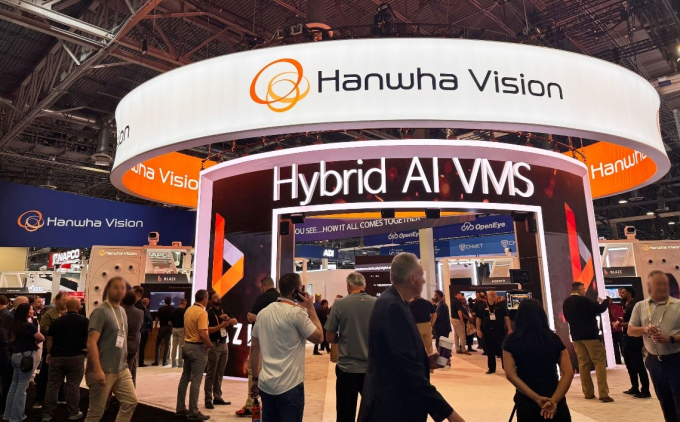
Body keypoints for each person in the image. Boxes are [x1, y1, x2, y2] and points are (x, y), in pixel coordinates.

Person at [358, 253, 465, 422]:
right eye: (422, 276)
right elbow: (408, 371)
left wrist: (426, 361)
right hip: (391, 409)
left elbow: (397, 358)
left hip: (392, 405)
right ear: (412, 278)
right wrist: (449, 413)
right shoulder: (393, 307)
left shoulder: (397, 302)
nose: (424, 280)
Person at [250, 273, 323, 422]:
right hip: (290, 386)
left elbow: (254, 348)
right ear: (296, 291)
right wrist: (311, 308)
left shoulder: (263, 313)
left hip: (266, 385)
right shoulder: (297, 314)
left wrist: (255, 379)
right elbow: (319, 338)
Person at [503, 299, 574, 422]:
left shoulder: (511, 341)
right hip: (554, 397)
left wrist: (537, 398)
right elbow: (568, 373)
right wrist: (554, 401)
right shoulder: (554, 339)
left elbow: (510, 374)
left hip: (527, 400)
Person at [628, 270, 680, 422]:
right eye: (658, 284)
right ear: (649, 285)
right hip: (654, 362)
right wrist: (645, 329)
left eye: (664, 284)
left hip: (675, 360)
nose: (662, 287)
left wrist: (670, 338)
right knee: (665, 401)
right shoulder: (640, 306)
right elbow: (630, 330)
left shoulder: (678, 305)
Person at [85, 277, 138, 422]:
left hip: (121, 369)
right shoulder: (101, 312)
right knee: (96, 413)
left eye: (122, 288)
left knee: (131, 401)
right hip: (104, 369)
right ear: (108, 289)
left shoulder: (122, 311)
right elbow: (91, 342)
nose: (120, 290)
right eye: (116, 287)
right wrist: (97, 369)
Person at [326, 272, 377, 422]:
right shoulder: (377, 303)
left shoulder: (339, 304)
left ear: (348, 285)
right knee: (372, 414)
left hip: (347, 369)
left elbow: (329, 337)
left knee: (345, 415)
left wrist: (343, 338)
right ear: (364, 285)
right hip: (371, 370)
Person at [235, 276, 279, 418]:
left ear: (264, 286)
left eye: (261, 287)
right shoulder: (280, 298)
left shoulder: (263, 298)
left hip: (261, 341)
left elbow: (250, 316)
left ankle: (251, 404)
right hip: (277, 342)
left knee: (253, 370)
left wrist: (263, 317)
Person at [562, 282, 613, 402]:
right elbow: (599, 309)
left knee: (583, 364)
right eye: (583, 288)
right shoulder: (584, 300)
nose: (584, 290)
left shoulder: (566, 302)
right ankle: (603, 393)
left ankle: (588, 392)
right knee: (599, 362)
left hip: (576, 337)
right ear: (579, 289)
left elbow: (567, 318)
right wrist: (606, 301)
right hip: (591, 336)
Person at [41, 298, 88, 422]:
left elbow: (49, 339)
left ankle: (47, 414)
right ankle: (73, 412)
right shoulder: (84, 321)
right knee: (73, 385)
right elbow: (90, 338)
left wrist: (49, 353)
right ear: (79, 307)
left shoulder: (57, 321)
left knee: (52, 385)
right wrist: (87, 349)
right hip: (75, 357)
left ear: (66, 307)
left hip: (57, 357)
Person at [4, 303, 43, 422]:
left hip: (16, 356)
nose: (33, 311)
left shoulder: (15, 325)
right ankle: (17, 416)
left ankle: (8, 414)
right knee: (22, 388)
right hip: (26, 357)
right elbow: (41, 338)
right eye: (31, 309)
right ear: (26, 312)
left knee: (14, 386)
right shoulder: (29, 326)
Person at [176, 289, 212, 421]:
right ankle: (193, 411)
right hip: (197, 348)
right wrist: (210, 345)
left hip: (187, 345)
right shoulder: (202, 313)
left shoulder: (189, 310)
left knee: (185, 377)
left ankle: (180, 407)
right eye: (207, 298)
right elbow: (202, 333)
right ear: (204, 299)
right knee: (196, 380)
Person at [34, 292, 68, 409]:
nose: (65, 302)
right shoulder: (49, 314)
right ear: (56, 301)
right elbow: (44, 328)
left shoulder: (68, 314)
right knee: (45, 373)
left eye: (67, 300)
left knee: (62, 373)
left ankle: (60, 396)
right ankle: (39, 398)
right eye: (63, 300)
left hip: (64, 348)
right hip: (51, 348)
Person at [204, 291, 237, 409]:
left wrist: (227, 319)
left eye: (218, 296)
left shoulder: (224, 310)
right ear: (210, 301)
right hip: (213, 344)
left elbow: (235, 321)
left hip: (224, 344)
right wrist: (221, 326)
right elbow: (207, 330)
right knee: (211, 373)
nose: (218, 298)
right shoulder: (208, 313)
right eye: (215, 297)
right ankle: (208, 399)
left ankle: (217, 397)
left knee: (220, 372)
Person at [617, 287, 650, 398]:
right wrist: (619, 320)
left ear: (630, 293)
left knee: (638, 364)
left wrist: (620, 324)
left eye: (623, 292)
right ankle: (634, 387)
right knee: (629, 364)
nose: (620, 294)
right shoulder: (626, 306)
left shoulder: (634, 306)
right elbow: (627, 321)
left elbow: (634, 323)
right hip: (625, 337)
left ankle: (645, 390)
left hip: (633, 338)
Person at [476, 290, 511, 374]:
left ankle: (505, 367)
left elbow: (506, 318)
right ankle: (491, 368)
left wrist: (509, 329)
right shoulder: (482, 307)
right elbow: (478, 319)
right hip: (487, 332)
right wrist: (478, 329)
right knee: (490, 350)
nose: (494, 295)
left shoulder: (501, 306)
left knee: (502, 350)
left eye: (495, 294)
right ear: (488, 296)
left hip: (499, 331)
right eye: (492, 294)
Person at [122, 292, 143, 385]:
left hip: (120, 344)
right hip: (134, 343)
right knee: (132, 368)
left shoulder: (119, 312)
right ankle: (131, 388)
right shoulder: (140, 312)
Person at [133, 287, 152, 367]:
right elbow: (148, 319)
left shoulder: (135, 306)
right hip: (142, 331)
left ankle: (137, 362)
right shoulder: (142, 308)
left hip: (137, 330)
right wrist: (149, 328)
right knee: (141, 347)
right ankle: (140, 362)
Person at [153, 297, 174, 366]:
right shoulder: (173, 309)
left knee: (158, 344)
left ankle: (156, 361)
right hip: (169, 327)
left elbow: (157, 318)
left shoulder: (161, 309)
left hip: (162, 327)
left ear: (164, 301)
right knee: (167, 344)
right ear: (170, 301)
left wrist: (155, 326)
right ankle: (164, 361)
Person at [0, 295, 12, 414]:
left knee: (4, 382)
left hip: (3, 352)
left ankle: (4, 407)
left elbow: (5, 337)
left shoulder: (6, 316)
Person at [450, 291, 470, 355]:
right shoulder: (457, 301)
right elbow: (459, 311)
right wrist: (461, 320)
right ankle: (463, 349)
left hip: (453, 319)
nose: (461, 296)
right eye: (461, 295)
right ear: (458, 294)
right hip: (457, 320)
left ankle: (458, 349)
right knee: (462, 335)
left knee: (456, 335)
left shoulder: (453, 301)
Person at [170, 299, 187, 368]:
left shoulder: (173, 311)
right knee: (181, 346)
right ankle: (180, 363)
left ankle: (173, 363)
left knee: (174, 346)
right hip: (181, 329)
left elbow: (169, 322)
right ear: (184, 304)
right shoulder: (185, 311)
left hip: (174, 329)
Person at [608, 297, 624, 365]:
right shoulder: (617, 307)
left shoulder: (608, 308)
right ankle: (624, 360)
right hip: (616, 329)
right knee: (620, 346)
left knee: (616, 346)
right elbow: (622, 316)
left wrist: (613, 323)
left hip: (614, 330)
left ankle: (618, 361)